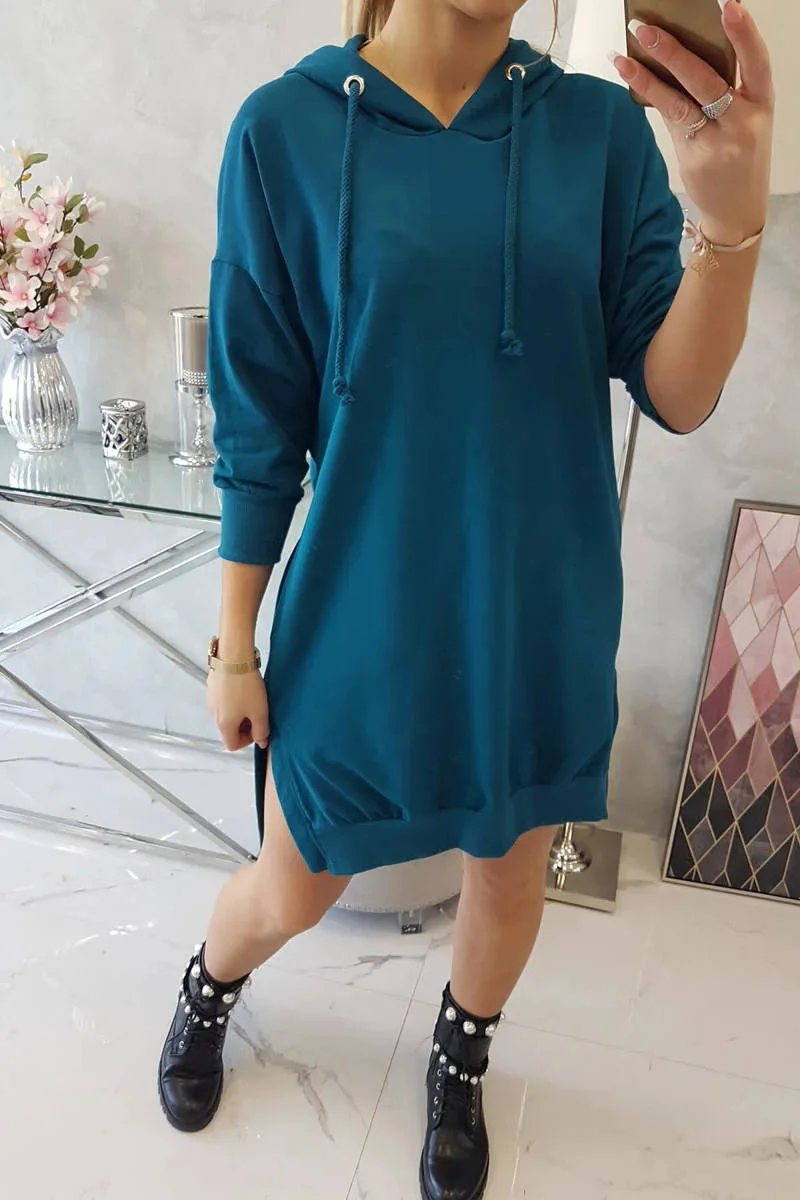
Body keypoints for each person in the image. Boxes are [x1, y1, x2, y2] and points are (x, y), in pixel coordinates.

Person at [157, 1, 774, 1196]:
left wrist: (726, 223)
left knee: (506, 863)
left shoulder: (595, 132)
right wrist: (233, 643)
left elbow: (677, 392)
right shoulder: (283, 131)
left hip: (537, 605)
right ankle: (210, 982)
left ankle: (460, 1054)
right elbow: (257, 422)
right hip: (359, 606)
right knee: (295, 880)